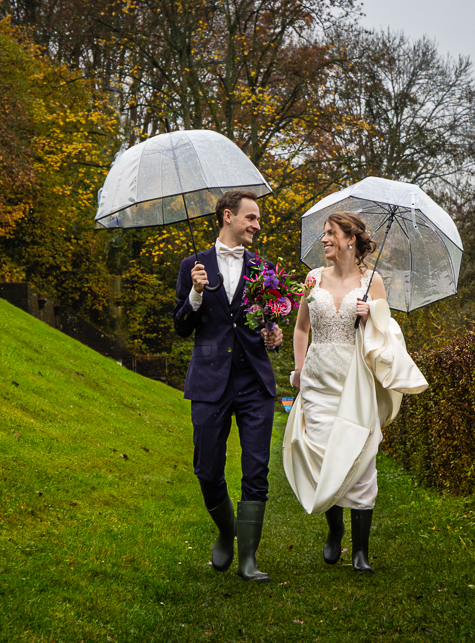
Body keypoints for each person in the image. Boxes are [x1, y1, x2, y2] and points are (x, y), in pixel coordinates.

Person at [282, 211, 427, 573]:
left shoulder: (372, 281)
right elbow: (301, 329)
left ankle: (360, 552)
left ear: (350, 239)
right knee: (323, 456)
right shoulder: (313, 279)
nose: (324, 239)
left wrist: (370, 314)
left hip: (355, 382)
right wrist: (298, 369)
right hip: (317, 381)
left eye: (331, 233)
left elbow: (386, 337)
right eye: (324, 233)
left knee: (361, 458)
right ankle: (335, 531)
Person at [173, 190, 284, 583]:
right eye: (251, 218)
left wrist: (274, 335)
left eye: (258, 219)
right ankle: (226, 530)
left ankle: (248, 559)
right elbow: (181, 327)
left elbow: (269, 322)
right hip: (209, 380)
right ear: (227, 216)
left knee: (256, 470)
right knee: (206, 469)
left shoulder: (263, 269)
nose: (257, 225)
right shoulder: (192, 266)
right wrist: (196, 293)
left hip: (254, 380)